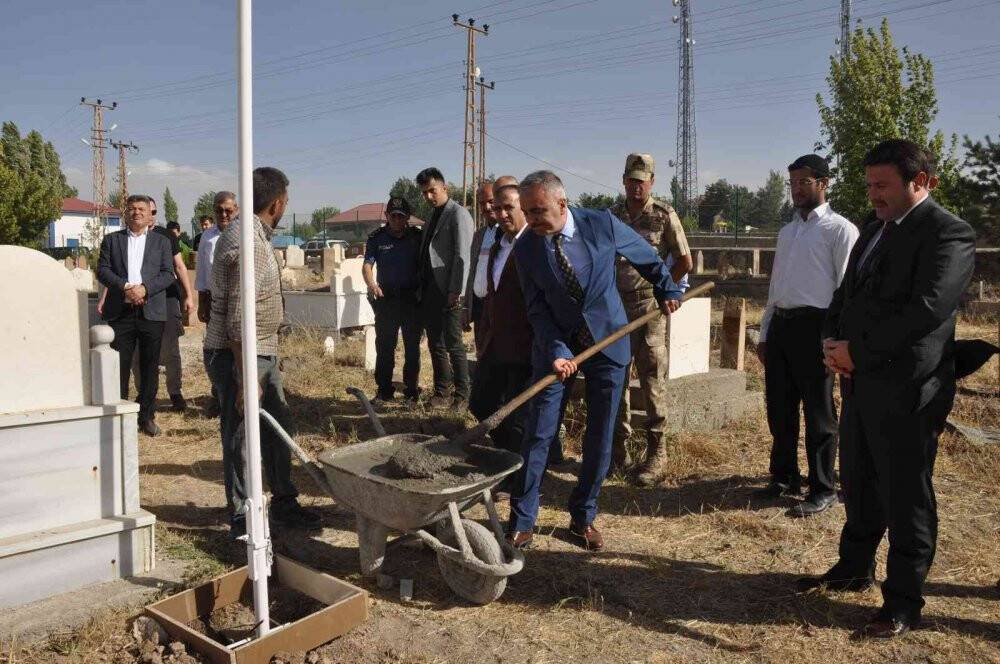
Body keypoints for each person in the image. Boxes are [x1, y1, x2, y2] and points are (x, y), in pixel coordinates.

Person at [798, 140, 976, 639]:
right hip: (860, 382)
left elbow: (925, 311)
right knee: (858, 479)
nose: (873, 195)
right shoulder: (875, 230)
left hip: (908, 389)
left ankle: (902, 601)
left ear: (921, 182)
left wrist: (860, 353)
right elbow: (845, 293)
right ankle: (853, 568)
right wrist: (832, 341)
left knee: (904, 494)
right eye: (869, 184)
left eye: (883, 186)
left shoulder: (948, 234)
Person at [507, 171, 683, 551]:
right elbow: (536, 310)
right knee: (539, 431)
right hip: (556, 349)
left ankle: (583, 516)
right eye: (526, 211)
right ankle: (522, 521)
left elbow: (646, 256)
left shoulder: (601, 224)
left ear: (562, 204)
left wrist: (666, 286)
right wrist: (556, 350)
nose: (531, 220)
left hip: (608, 342)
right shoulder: (526, 248)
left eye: (538, 211)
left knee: (601, 436)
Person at [205, 166, 320, 538]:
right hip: (238, 354)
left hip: (261, 351)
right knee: (240, 435)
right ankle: (241, 516)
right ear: (278, 203)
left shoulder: (254, 233)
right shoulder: (248, 242)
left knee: (277, 429)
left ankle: (284, 501)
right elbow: (239, 318)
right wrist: (245, 378)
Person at [755, 154, 858, 518]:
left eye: (804, 182)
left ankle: (822, 486)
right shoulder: (788, 232)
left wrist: (838, 339)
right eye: (793, 183)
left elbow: (848, 290)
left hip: (816, 327)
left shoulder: (840, 230)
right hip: (783, 325)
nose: (797, 189)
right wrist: (765, 332)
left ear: (823, 183)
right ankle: (783, 477)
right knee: (780, 408)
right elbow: (776, 286)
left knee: (818, 412)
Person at [609, 153, 692, 484]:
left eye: (642, 181)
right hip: (614, 310)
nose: (636, 186)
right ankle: (618, 451)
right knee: (615, 379)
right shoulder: (612, 216)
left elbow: (684, 259)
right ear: (624, 180)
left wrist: (665, 289)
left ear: (652, 182)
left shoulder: (663, 215)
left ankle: (657, 454)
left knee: (652, 379)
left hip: (648, 309)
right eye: (631, 180)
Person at [468, 178, 532, 497]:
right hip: (494, 342)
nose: (503, 214)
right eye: (498, 207)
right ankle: (508, 457)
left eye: (510, 207)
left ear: (523, 208)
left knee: (518, 415)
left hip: (524, 346)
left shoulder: (534, 245)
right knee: (480, 403)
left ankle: (517, 475)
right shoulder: (496, 245)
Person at [96, 194, 175, 436]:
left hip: (151, 311)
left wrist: (145, 289)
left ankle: (146, 416)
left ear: (150, 214)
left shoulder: (162, 242)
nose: (136, 212)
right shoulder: (112, 240)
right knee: (119, 365)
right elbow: (103, 270)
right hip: (121, 311)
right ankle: (120, 415)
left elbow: (167, 273)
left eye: (141, 209)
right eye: (131, 209)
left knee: (150, 366)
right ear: (125, 213)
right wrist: (126, 288)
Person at [416, 167, 473, 409]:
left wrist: (456, 291)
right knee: (435, 344)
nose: (429, 197)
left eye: (432, 191)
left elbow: (462, 256)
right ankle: (442, 393)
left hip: (450, 291)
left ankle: (463, 394)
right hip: (430, 290)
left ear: (444, 188)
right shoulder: (431, 216)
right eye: (424, 193)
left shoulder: (458, 214)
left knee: (453, 343)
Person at [363, 196, 423, 405]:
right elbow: (367, 265)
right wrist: (372, 284)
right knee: (385, 346)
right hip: (386, 299)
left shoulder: (417, 238)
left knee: (412, 348)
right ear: (387, 216)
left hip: (411, 300)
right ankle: (384, 390)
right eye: (393, 216)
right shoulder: (377, 238)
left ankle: (411, 391)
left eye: (401, 216)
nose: (397, 220)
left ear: (407, 218)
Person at [147, 201, 194, 411]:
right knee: (145, 352)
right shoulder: (128, 237)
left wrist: (188, 295)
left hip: (167, 298)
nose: (151, 215)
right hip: (143, 300)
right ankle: (146, 395)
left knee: (171, 350)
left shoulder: (167, 236)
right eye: (149, 211)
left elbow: (180, 266)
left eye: (154, 211)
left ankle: (175, 393)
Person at [196, 192, 238, 418]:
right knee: (216, 349)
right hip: (215, 300)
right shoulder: (207, 237)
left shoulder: (244, 234)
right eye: (219, 210)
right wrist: (202, 302)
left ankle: (238, 394)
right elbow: (202, 270)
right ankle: (218, 395)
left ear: (237, 209)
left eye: (228, 210)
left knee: (237, 346)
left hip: (238, 298)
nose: (223, 214)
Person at [464, 181, 497, 345]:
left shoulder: (509, 234)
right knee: (482, 356)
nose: (487, 207)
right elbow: (472, 273)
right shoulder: (479, 235)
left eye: (491, 201)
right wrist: (466, 308)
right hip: (479, 308)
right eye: (482, 203)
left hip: (500, 309)